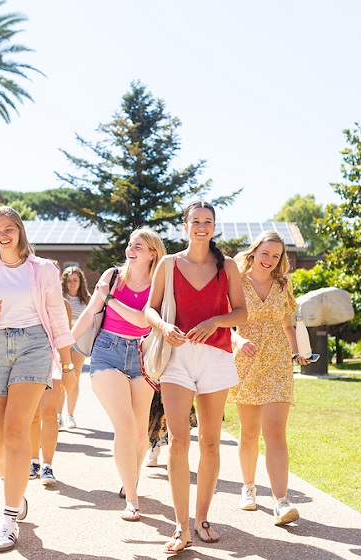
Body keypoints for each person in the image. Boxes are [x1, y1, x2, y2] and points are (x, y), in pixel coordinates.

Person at [0, 206, 75, 553]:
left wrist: (69, 367)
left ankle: (9, 517)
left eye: (9, 228)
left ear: (20, 231)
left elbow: (58, 317)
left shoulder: (42, 269)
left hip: (33, 346)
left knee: (15, 432)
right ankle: (13, 484)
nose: (3, 234)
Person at [145, 200, 247, 553]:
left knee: (210, 442)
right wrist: (163, 326)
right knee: (178, 441)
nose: (202, 226)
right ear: (185, 225)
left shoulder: (228, 266)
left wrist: (215, 321)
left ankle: (202, 518)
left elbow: (241, 313)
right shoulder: (168, 263)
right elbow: (149, 308)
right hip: (177, 357)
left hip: (216, 357)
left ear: (213, 227)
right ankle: (179, 526)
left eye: (208, 221)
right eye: (196, 221)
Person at [71, 228, 166, 522]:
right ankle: (133, 499)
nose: (130, 249)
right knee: (125, 426)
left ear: (152, 253)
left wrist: (110, 300)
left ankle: (130, 479)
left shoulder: (160, 284)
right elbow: (89, 313)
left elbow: (141, 320)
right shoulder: (113, 276)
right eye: (129, 245)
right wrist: (62, 344)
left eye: (138, 246)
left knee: (139, 432)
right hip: (107, 350)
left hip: (142, 355)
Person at [229, 230, 310, 526]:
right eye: (266, 253)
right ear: (254, 252)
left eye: (276, 256)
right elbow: (226, 324)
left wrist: (299, 351)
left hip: (277, 362)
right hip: (246, 360)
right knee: (249, 431)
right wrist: (238, 343)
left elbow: (288, 326)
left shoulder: (284, 283)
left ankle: (281, 501)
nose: (270, 260)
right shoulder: (235, 281)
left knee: (275, 432)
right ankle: (248, 488)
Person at [28, 295, 73, 487]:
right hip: (28, 362)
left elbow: (65, 337)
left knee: (49, 413)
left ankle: (47, 464)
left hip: (53, 361)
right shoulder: (28, 299)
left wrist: (66, 369)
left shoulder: (63, 304)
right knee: (32, 415)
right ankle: (33, 460)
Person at [59, 266, 90, 429]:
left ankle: (69, 415)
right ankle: (58, 415)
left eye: (75, 280)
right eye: (69, 280)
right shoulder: (59, 298)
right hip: (62, 343)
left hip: (79, 344)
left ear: (80, 282)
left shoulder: (87, 300)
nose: (72, 283)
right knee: (59, 379)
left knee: (74, 379)